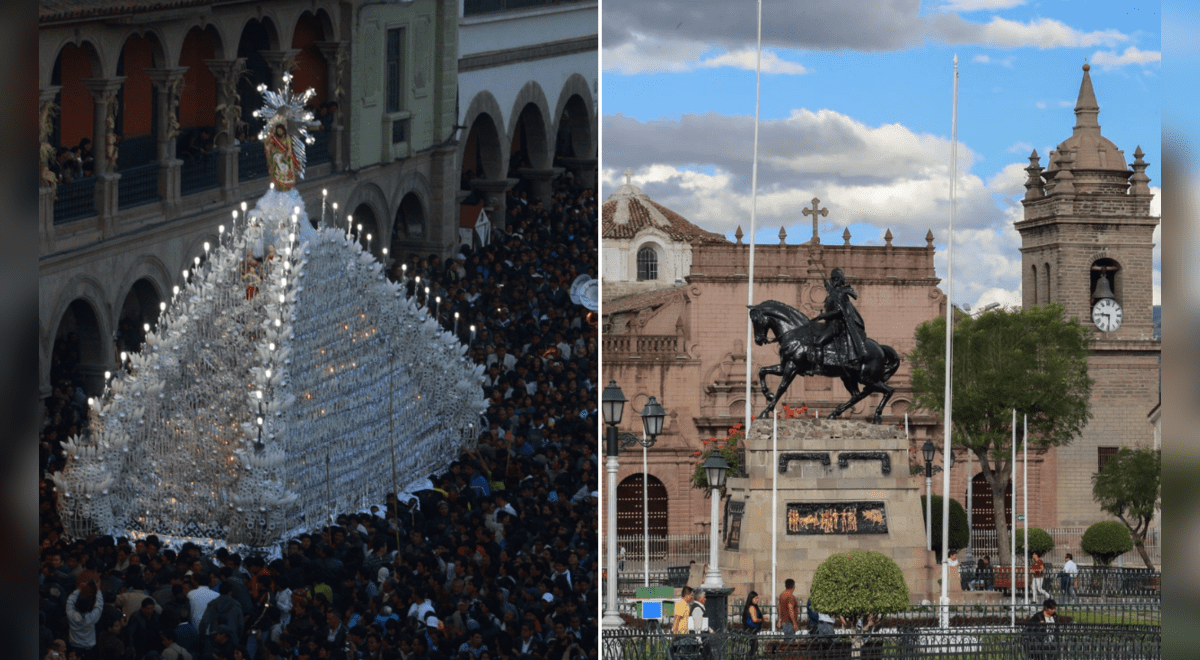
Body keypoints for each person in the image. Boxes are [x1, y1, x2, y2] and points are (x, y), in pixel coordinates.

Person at [813, 267, 867, 365]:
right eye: (832, 279)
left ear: (840, 280)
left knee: (818, 343)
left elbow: (838, 311)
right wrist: (826, 285)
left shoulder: (840, 294)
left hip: (835, 326)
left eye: (835, 279)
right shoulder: (835, 292)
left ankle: (818, 367)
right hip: (829, 324)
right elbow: (832, 292)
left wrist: (824, 316)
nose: (833, 281)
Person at [741, 591, 767, 660]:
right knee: (753, 648)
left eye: (757, 598)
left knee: (754, 647)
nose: (757, 600)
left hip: (753, 630)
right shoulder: (752, 607)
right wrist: (761, 619)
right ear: (751, 599)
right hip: (751, 630)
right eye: (755, 598)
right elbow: (755, 619)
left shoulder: (753, 607)